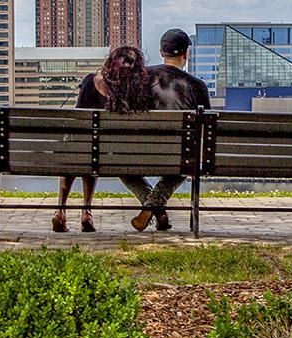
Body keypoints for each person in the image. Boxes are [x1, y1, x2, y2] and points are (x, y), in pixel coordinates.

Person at [60, 45, 156, 232]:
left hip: (90, 152)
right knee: (91, 152)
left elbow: (80, 122)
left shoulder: (90, 82)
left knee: (79, 149)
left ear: (110, 64)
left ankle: (61, 211)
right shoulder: (140, 90)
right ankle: (86, 211)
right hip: (119, 156)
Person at [124, 28, 210, 231]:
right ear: (186, 54)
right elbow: (206, 129)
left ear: (162, 52)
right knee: (187, 159)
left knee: (122, 169)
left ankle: (153, 207)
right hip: (178, 157)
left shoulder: (140, 79)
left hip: (136, 153)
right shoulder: (198, 86)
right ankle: (155, 205)